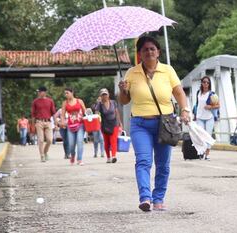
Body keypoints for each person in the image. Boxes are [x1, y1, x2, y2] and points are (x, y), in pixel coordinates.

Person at [118, 36, 190, 212]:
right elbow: (124, 101)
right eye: (145, 49)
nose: (149, 52)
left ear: (158, 52)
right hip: (140, 124)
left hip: (164, 123)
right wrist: (123, 90)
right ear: (139, 54)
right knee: (143, 160)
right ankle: (145, 197)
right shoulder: (131, 73)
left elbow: (179, 93)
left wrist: (185, 110)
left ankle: (158, 198)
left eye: (152, 49)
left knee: (163, 164)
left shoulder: (168, 71)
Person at [192, 76, 220, 160]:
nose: (206, 84)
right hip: (199, 117)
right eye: (204, 82)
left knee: (208, 136)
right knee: (200, 136)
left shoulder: (212, 94)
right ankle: (201, 152)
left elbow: (218, 105)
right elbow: (197, 105)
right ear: (201, 83)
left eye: (208, 82)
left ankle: (207, 154)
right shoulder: (198, 93)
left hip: (209, 117)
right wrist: (194, 115)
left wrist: (210, 107)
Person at [61, 87, 86, 166]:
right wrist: (62, 122)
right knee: (71, 144)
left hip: (80, 124)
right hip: (70, 125)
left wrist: (87, 118)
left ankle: (79, 159)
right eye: (65, 93)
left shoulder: (79, 101)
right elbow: (62, 115)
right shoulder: (65, 103)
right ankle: (72, 155)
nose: (66, 95)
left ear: (72, 92)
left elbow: (86, 112)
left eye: (67, 93)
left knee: (79, 142)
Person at [94, 88, 120, 163]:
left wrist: (119, 123)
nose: (104, 96)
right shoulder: (99, 104)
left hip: (114, 123)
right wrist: (97, 120)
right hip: (105, 125)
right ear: (101, 96)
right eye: (103, 95)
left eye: (106, 94)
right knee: (107, 142)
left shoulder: (113, 102)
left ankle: (114, 156)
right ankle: (108, 157)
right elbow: (96, 113)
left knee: (113, 140)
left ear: (108, 95)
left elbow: (116, 112)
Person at [31, 86, 56, 162]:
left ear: (44, 92)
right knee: (41, 140)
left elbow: (53, 113)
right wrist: (32, 125)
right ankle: (42, 155)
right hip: (39, 122)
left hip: (48, 122)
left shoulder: (50, 101)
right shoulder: (35, 102)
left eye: (39, 91)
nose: (38, 93)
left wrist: (56, 123)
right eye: (38, 91)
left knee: (50, 140)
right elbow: (33, 114)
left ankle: (45, 152)